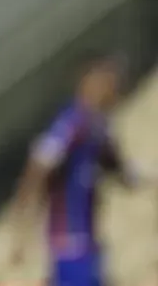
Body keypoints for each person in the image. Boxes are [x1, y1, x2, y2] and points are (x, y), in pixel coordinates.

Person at [12, 55, 152, 286]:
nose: (116, 89)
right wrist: (22, 229)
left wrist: (149, 177)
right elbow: (37, 167)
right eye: (110, 82)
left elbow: (122, 172)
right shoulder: (71, 124)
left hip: (88, 243)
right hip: (69, 242)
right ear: (90, 83)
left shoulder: (99, 129)